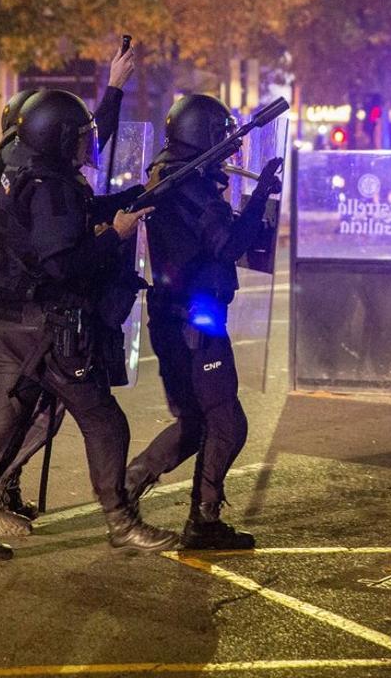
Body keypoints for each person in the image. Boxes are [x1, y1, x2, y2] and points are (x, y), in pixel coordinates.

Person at [0, 88, 178, 562]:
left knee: (3, 421)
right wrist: (116, 237)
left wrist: (139, 195)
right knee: (104, 420)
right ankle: (120, 520)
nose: (83, 145)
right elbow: (63, 263)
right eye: (77, 137)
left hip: (10, 325)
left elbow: (78, 215)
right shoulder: (51, 186)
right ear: (56, 138)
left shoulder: (25, 171)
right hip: (49, 329)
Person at [124, 94, 282, 550]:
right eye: (222, 136)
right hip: (196, 318)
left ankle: (134, 488)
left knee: (198, 421)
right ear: (205, 135)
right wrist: (258, 201)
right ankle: (202, 520)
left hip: (175, 315)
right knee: (227, 424)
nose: (230, 150)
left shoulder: (170, 175)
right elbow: (227, 244)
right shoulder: (188, 185)